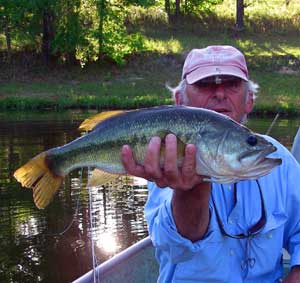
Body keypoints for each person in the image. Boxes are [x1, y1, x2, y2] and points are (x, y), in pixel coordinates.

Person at [121, 45, 300, 282]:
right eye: (205, 84)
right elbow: (175, 248)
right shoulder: (169, 157)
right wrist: (192, 191)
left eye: (232, 84)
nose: (219, 93)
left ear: (249, 100)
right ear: (179, 100)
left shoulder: (278, 160)